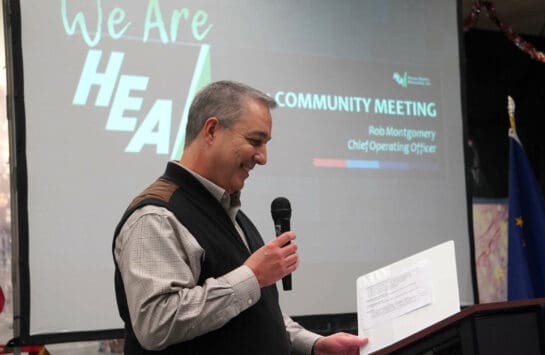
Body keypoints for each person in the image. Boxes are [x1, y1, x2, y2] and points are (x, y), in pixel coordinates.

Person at [113, 80, 368, 354]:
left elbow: (250, 308)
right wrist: (252, 275)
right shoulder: (156, 216)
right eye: (255, 141)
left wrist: (314, 344)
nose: (263, 157)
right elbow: (156, 323)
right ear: (211, 131)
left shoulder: (229, 212)